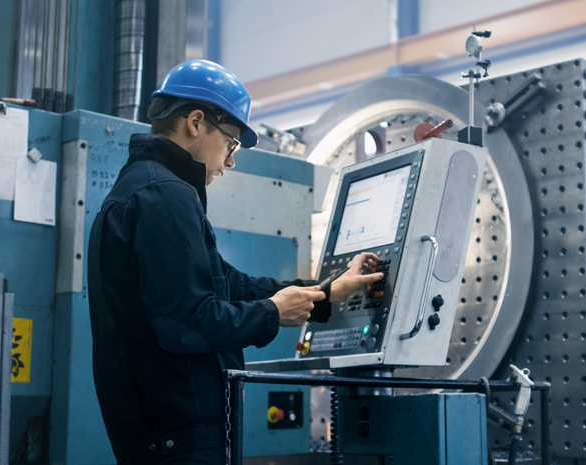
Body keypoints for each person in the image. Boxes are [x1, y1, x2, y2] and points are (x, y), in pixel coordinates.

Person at [87, 60, 382, 464]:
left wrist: (328, 292)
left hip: (164, 435)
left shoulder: (145, 189)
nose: (230, 161)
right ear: (195, 122)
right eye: (230, 143)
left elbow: (231, 284)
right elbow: (188, 323)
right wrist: (271, 314)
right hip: (179, 436)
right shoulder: (164, 197)